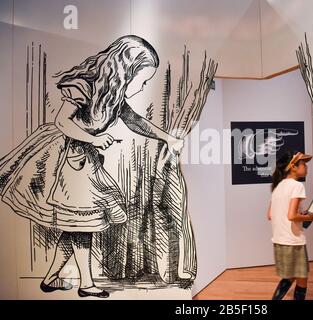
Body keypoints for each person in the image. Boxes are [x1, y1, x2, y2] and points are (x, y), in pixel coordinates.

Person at [0, 35, 184, 298]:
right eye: (143, 80)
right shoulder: (85, 87)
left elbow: (135, 122)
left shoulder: (114, 98)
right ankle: (86, 284)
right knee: (82, 224)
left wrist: (167, 137)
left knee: (75, 223)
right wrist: (93, 138)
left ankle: (52, 277)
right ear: (126, 72)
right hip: (63, 160)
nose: (143, 87)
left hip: (83, 161)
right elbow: (62, 122)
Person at [267, 151, 313, 300]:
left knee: (290, 276)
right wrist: (310, 217)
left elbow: (270, 215)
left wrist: (300, 214)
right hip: (294, 241)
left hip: (279, 240)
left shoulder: (278, 186)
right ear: (293, 167)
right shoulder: (297, 186)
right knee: (302, 278)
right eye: (303, 164)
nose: (306, 167)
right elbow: (291, 216)